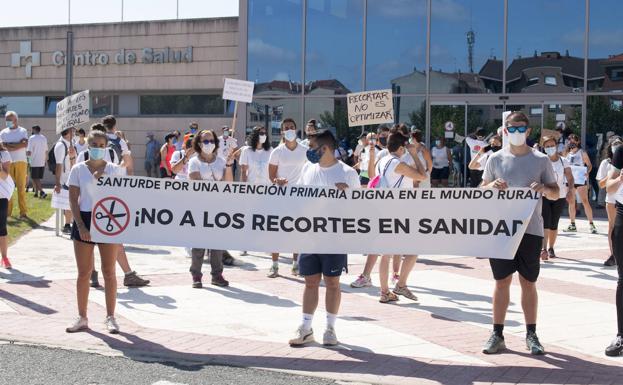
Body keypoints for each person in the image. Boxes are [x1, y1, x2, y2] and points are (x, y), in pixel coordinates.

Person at [480, 111, 558, 355]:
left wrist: (544, 188)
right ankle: (497, 333)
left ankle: (531, 334)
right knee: (501, 282)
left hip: (531, 231)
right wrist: (491, 186)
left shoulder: (541, 160)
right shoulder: (494, 159)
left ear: (528, 130)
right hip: (501, 231)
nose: (516, 133)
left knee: (528, 282)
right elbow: (481, 191)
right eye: (511, 129)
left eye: (520, 128)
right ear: (504, 131)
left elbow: (556, 193)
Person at [289, 129, 359, 347]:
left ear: (325, 149)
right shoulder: (308, 169)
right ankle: (306, 327)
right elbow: (297, 198)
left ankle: (330, 329)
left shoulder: (347, 173)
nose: (308, 151)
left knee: (332, 283)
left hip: (335, 237)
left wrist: (347, 195)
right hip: (310, 236)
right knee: (310, 282)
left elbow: (359, 209)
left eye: (312, 147)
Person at [65, 130, 126, 334]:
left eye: (102, 145)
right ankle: (82, 317)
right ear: (88, 146)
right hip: (85, 219)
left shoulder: (115, 170)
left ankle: (111, 317)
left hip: (108, 220)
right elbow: (73, 199)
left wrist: (104, 179)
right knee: (84, 272)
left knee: (109, 271)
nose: (98, 148)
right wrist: (81, 225)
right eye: (94, 145)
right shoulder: (78, 169)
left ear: (106, 147)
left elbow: (123, 196)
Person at [374, 131, 427, 303]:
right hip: (400, 211)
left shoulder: (382, 161)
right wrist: (414, 154)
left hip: (385, 209)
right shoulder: (397, 163)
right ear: (402, 147)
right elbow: (422, 175)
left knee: (386, 253)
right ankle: (401, 285)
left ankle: (384, 292)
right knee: (413, 250)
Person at [187, 130, 234, 288]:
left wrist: (228, 165)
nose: (209, 144)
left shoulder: (221, 161)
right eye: (205, 141)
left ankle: (217, 275)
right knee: (199, 243)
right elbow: (196, 182)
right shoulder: (194, 162)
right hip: (199, 206)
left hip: (218, 206)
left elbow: (228, 184)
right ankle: (196, 275)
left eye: (211, 140)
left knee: (217, 243)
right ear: (199, 144)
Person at [268, 118, 307, 277]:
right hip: (280, 196)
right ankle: (275, 265)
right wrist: (277, 180)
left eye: (292, 127)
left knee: (297, 230)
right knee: (277, 230)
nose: (289, 130)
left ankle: (296, 264)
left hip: (299, 197)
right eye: (286, 128)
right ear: (282, 131)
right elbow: (271, 176)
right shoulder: (277, 151)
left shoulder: (305, 150)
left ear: (296, 129)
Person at [540, 136, 574, 261]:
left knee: (554, 223)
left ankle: (551, 247)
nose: (550, 148)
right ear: (544, 148)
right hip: (545, 195)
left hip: (560, 196)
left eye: (552, 145)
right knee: (545, 221)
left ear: (556, 146)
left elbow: (570, 177)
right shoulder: (542, 161)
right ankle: (543, 248)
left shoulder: (563, 161)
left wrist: (570, 190)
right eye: (547, 146)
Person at [604, 144, 623, 356]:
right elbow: (608, 187)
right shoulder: (621, 152)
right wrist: (619, 179)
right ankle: (621, 335)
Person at [563, 134, 597, 234]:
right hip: (570, 180)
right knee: (571, 201)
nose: (571, 141)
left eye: (573, 140)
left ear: (578, 142)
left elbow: (589, 165)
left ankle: (591, 224)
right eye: (569, 140)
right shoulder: (567, 153)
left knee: (585, 201)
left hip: (580, 179)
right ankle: (572, 224)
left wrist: (587, 172)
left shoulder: (582, 152)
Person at [598, 136, 622, 267]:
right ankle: (613, 254)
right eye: (614, 144)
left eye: (619, 143)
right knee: (612, 227)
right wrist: (612, 175)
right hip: (612, 199)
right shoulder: (605, 163)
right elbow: (601, 185)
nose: (617, 146)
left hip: (621, 198)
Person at [1, 111, 29, 218]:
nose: (7, 122)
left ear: (16, 120)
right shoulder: (3, 132)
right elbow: (3, 146)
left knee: (21, 188)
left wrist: (9, 145)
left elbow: (25, 144)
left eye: (10, 120)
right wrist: (17, 144)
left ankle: (23, 212)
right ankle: (8, 213)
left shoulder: (22, 131)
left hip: (21, 161)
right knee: (8, 188)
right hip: (7, 163)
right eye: (6, 120)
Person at [54, 128, 77, 234]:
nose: (75, 132)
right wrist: (57, 183)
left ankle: (70, 223)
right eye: (73, 130)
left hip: (73, 176)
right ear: (67, 133)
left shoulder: (71, 143)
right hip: (66, 179)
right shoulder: (61, 145)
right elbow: (58, 165)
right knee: (69, 203)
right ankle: (67, 225)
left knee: (73, 202)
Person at [26, 125, 48, 199]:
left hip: (34, 161)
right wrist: (45, 160)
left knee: (35, 178)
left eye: (32, 129)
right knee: (36, 178)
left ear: (34, 129)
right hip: (41, 161)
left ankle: (42, 192)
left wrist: (28, 160)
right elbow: (46, 151)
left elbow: (29, 151)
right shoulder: (44, 138)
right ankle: (36, 193)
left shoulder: (31, 138)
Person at [0, 144, 13, 269]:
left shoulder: (4, 154)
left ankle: (4, 258)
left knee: (1, 227)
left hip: (1, 195)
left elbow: (4, 176)